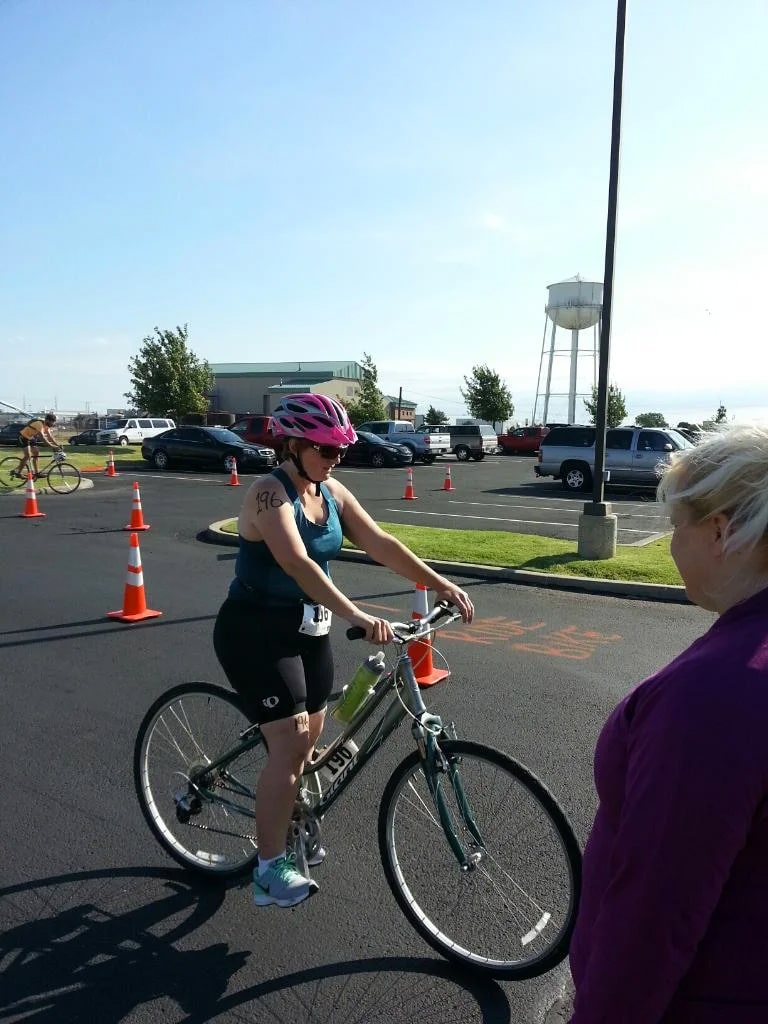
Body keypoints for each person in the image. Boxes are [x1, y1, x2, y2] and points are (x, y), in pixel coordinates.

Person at [213, 394, 474, 909]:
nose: (335, 459)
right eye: (326, 450)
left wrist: (440, 583)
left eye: (339, 450)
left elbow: (380, 542)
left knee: (311, 741)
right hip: (254, 630)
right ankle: (267, 870)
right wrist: (358, 615)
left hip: (308, 631)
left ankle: (288, 816)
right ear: (293, 445)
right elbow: (297, 564)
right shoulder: (269, 494)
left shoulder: (330, 489)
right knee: (289, 745)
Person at [569, 426, 768, 1023]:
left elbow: (655, 916)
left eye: (676, 525)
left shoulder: (711, 697)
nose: (669, 542)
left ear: (720, 530)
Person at [17, 413, 61, 478]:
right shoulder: (39, 424)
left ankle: (37, 473)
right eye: (52, 422)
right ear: (47, 420)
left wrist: (58, 445)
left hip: (31, 438)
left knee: (36, 454)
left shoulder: (46, 426)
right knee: (28, 455)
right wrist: (52, 446)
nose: (53, 424)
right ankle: (18, 473)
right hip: (23, 437)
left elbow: (50, 437)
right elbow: (42, 438)